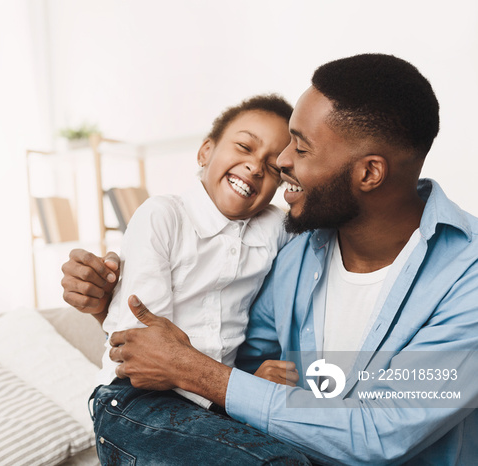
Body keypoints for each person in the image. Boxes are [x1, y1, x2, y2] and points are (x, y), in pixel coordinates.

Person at [61, 53, 478, 465]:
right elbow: (226, 356)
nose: (281, 162)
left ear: (369, 173)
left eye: (301, 147)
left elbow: (380, 433)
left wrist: (200, 374)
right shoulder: (294, 250)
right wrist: (109, 308)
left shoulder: (466, 275)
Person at [97, 95, 297, 411]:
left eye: (273, 167)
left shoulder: (275, 227)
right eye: (245, 147)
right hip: (137, 397)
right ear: (205, 152)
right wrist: (237, 388)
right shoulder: (163, 216)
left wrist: (243, 386)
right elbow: (146, 349)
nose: (255, 166)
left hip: (216, 401)